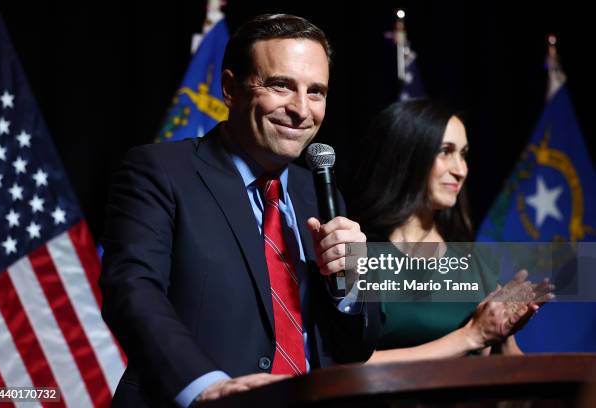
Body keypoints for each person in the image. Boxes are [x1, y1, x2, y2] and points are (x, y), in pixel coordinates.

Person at [99, 14, 379, 407]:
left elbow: (355, 348)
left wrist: (349, 286)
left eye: (316, 92)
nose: (301, 109)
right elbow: (132, 291)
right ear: (230, 88)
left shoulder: (319, 192)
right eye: (281, 86)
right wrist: (205, 386)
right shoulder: (159, 171)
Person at [348, 99, 552, 363]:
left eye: (463, 154)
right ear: (408, 155)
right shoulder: (355, 252)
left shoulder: (472, 262)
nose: (461, 170)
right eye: (445, 151)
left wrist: (504, 331)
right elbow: (349, 366)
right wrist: (469, 337)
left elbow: (508, 363)